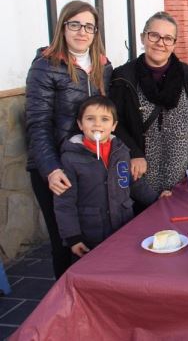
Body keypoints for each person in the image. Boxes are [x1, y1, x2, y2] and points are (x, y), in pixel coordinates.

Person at [25, 0, 113, 278]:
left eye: (89, 26)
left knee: (95, 236)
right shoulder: (45, 66)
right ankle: (63, 310)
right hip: (56, 169)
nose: (81, 31)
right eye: (74, 24)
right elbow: (38, 124)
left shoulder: (103, 65)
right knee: (65, 242)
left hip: (91, 163)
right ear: (63, 27)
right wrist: (51, 169)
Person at [110, 12, 188, 197]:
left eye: (168, 38)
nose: (161, 43)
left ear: (174, 43)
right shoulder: (123, 77)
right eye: (154, 35)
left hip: (182, 175)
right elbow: (115, 122)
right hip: (141, 179)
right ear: (143, 37)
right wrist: (134, 153)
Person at [53, 96, 171, 259]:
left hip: (124, 227)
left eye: (105, 119)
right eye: (90, 119)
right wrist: (73, 238)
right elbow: (65, 203)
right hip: (91, 234)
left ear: (114, 125)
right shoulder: (70, 159)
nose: (97, 124)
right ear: (80, 124)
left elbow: (134, 183)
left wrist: (156, 199)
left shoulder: (121, 151)